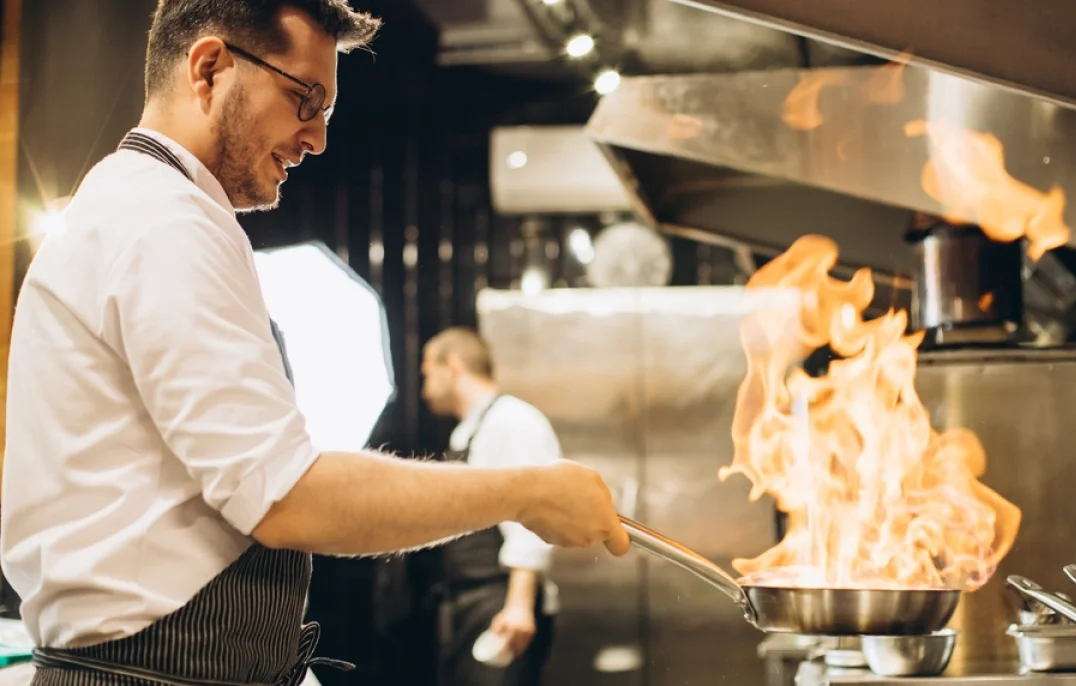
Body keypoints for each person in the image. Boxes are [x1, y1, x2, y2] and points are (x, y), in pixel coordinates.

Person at [0, 2, 631, 686]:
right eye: (306, 99)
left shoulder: (149, 208)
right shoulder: (164, 222)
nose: (318, 138)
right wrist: (526, 492)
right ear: (209, 68)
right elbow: (286, 498)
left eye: (324, 111)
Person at [418, 327, 564, 686]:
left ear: (452, 366)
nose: (423, 390)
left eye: (427, 374)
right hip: (471, 602)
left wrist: (518, 605)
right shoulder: (469, 429)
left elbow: (534, 515)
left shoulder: (511, 421)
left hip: (501, 604)